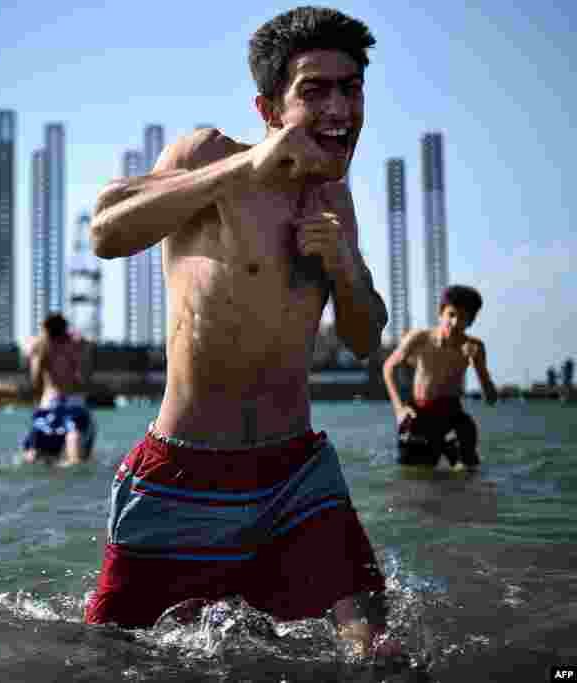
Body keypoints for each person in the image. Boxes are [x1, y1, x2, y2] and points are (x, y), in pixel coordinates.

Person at [83, 6, 399, 659]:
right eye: (315, 90)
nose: (340, 105)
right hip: (182, 473)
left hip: (297, 472)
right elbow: (106, 229)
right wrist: (242, 171)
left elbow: (367, 337)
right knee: (113, 659)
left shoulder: (333, 199)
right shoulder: (210, 156)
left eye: (351, 86)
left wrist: (344, 268)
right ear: (268, 106)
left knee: (379, 648)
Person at [382, 285, 497, 470]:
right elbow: (388, 368)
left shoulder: (475, 346)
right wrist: (399, 409)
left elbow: (490, 399)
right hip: (419, 413)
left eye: (463, 318)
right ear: (441, 313)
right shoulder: (420, 338)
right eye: (451, 315)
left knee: (467, 467)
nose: (455, 323)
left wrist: (478, 365)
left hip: (451, 413)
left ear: (471, 321)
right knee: (416, 477)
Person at [21, 313, 96, 466]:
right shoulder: (77, 345)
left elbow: (35, 379)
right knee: (75, 455)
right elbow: (84, 377)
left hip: (49, 404)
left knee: (33, 455)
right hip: (74, 404)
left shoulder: (40, 346)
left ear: (45, 330)